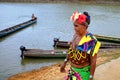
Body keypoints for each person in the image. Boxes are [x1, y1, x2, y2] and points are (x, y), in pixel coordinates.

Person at [60, 11, 101, 80]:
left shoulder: (90, 40)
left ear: (84, 26)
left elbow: (93, 61)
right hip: (72, 70)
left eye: (76, 26)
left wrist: (91, 76)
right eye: (74, 25)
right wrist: (65, 62)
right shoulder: (75, 35)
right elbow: (71, 49)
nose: (74, 28)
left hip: (83, 74)